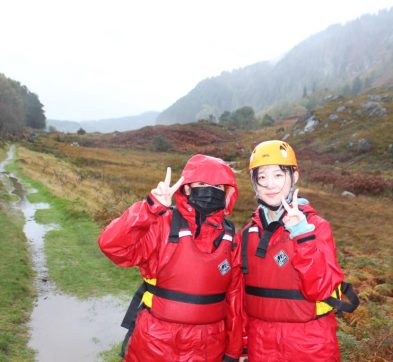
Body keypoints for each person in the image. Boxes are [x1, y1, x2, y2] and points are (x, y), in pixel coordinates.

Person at [98, 154, 243, 362]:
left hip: (209, 345)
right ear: (186, 187)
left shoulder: (231, 237)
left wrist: (233, 350)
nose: (210, 192)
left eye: (218, 187)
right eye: (202, 183)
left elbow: (235, 297)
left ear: (227, 193)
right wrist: (150, 208)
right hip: (155, 340)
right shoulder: (161, 223)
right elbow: (112, 246)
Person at [241, 140, 358, 361]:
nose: (270, 184)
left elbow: (320, 289)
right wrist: (244, 344)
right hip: (261, 343)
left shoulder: (317, 227)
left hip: (310, 343)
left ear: (294, 177)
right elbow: (241, 296)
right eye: (262, 177)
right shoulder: (248, 233)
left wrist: (301, 234)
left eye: (278, 175)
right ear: (254, 183)